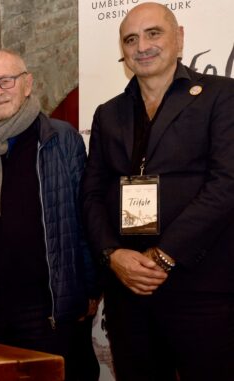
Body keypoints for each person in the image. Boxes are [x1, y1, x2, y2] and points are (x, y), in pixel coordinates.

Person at [81, 3, 234, 380]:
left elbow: (227, 183)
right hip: (128, 290)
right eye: (131, 38)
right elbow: (91, 194)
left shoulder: (221, 95)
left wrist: (163, 256)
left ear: (179, 38)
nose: (142, 46)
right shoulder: (108, 112)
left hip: (202, 289)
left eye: (154, 33)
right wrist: (112, 254)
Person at [0, 49, 98, 380]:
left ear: (27, 84)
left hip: (47, 309)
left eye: (5, 81)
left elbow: (84, 218)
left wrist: (91, 287)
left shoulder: (60, 139)